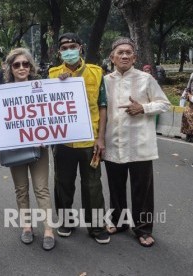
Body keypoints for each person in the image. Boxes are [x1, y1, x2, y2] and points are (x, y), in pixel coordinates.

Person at [104, 37, 171, 247]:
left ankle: (143, 229)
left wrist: (143, 108)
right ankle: (119, 221)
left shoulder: (146, 79)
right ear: (112, 57)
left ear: (134, 57)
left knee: (142, 189)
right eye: (120, 52)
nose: (124, 55)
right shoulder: (105, 81)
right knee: (115, 187)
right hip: (113, 143)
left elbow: (164, 104)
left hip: (140, 144)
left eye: (128, 53)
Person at [48, 33, 110, 244]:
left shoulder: (96, 73)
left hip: (90, 141)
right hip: (63, 142)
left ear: (81, 47)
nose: (69, 50)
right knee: (62, 183)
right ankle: (66, 221)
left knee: (92, 185)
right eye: (64, 47)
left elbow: (103, 107)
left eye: (72, 46)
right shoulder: (52, 74)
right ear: (59, 52)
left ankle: (96, 226)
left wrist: (101, 138)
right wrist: (58, 84)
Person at [2, 47, 55, 250]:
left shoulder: (41, 88)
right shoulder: (2, 91)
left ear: (31, 66)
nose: (22, 68)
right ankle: (26, 226)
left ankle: (49, 229)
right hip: (15, 148)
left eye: (25, 64)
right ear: (11, 68)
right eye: (17, 65)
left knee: (41, 188)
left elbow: (51, 116)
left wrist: (46, 135)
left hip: (39, 146)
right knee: (21, 189)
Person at [181, 72, 193, 142]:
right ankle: (188, 134)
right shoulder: (192, 75)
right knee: (186, 114)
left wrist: (191, 98)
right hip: (191, 104)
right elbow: (188, 88)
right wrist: (184, 97)